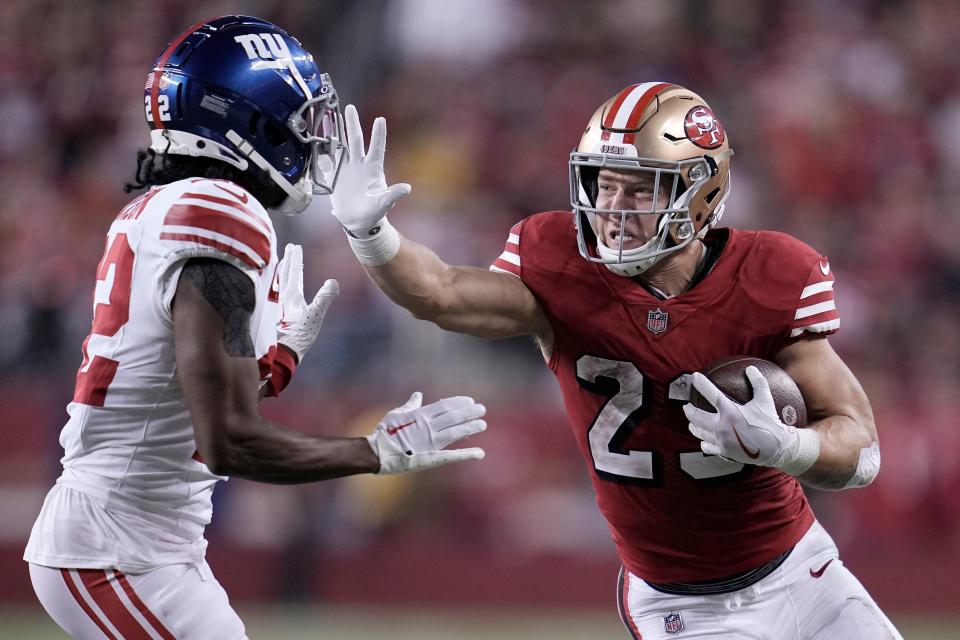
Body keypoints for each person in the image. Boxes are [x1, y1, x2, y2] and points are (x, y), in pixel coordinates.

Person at [329, 82, 903, 638]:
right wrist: (370, 233)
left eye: (640, 190)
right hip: (684, 608)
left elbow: (862, 450)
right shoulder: (560, 268)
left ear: (699, 193)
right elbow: (441, 292)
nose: (612, 209)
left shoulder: (771, 275)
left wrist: (785, 447)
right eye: (604, 186)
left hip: (804, 571)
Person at [24, 16, 486, 640]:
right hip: (117, 551)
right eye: (302, 121)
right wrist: (373, 454)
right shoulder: (219, 212)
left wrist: (276, 363)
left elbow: (187, 398)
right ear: (250, 124)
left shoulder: (170, 204)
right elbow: (230, 441)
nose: (314, 141)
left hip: (144, 542)